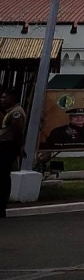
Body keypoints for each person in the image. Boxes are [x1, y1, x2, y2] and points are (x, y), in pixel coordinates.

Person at [1, 89, 27, 218]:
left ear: (12, 98)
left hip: (7, 147)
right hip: (6, 147)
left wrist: (18, 148)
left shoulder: (16, 112)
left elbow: (18, 132)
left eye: (5, 97)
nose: (2, 100)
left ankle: (2, 207)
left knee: (3, 177)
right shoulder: (11, 111)